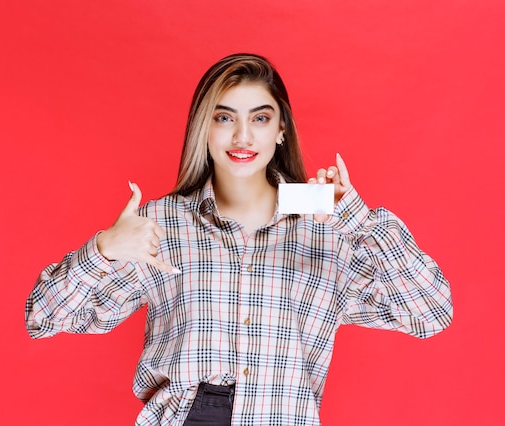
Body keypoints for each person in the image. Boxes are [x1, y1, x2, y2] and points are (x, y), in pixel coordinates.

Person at [25, 53, 453, 425]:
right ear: (203, 128)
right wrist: (104, 249)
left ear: (281, 129)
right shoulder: (162, 225)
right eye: (224, 117)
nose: (242, 137)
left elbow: (431, 314)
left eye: (260, 118)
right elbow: (43, 318)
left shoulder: (327, 230)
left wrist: (357, 219)